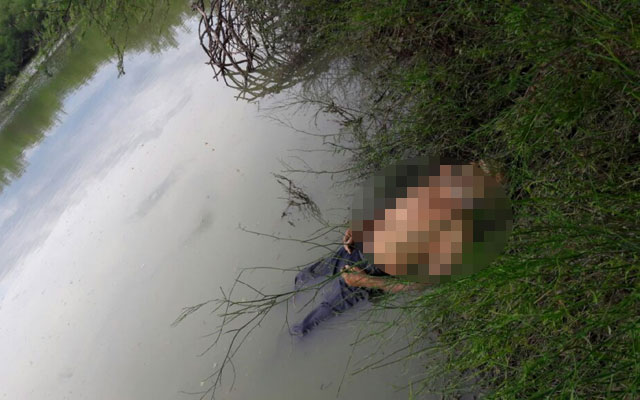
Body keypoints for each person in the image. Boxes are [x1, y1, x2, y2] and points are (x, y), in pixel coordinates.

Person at [289, 158, 511, 336]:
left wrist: (366, 281)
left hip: (365, 277)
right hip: (356, 247)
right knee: (302, 278)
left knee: (303, 329)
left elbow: (422, 283)